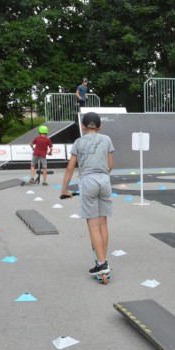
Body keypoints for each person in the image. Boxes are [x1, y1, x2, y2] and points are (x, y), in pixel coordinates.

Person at [61, 112, 114, 276]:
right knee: (103, 223)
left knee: (93, 225)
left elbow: (70, 167)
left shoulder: (78, 142)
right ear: (100, 126)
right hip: (105, 180)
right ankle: (102, 259)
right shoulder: (107, 140)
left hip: (88, 180)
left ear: (82, 126)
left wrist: (64, 189)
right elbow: (110, 165)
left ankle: (101, 263)